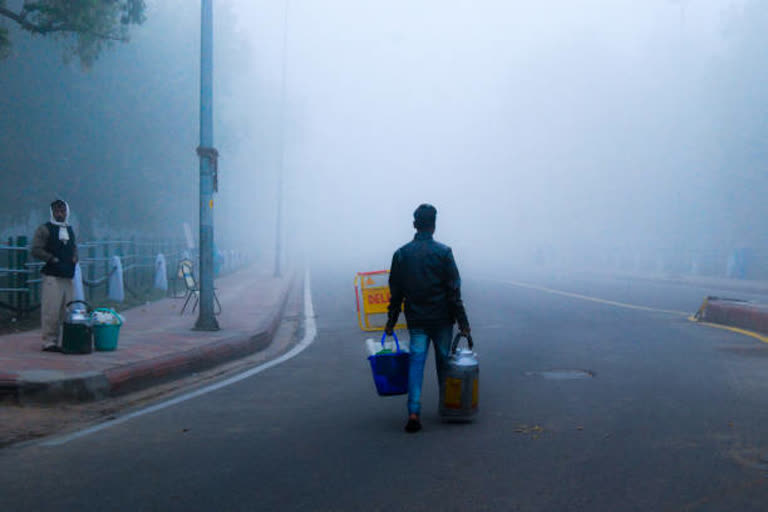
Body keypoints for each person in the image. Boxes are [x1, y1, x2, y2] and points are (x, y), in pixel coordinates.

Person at [385, 203, 471, 433]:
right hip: (442, 319)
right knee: (444, 363)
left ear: (415, 224)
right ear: (434, 226)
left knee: (416, 363)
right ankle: (447, 406)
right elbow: (454, 290)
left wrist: (391, 322)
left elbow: (396, 293)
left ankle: (413, 410)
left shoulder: (401, 254)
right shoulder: (444, 253)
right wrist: (463, 323)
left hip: (417, 320)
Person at [30, 199, 79, 352]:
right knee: (51, 310)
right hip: (52, 276)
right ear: (52, 212)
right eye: (57, 211)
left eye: (63, 211)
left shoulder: (70, 229)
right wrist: (51, 258)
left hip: (68, 275)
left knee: (68, 309)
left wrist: (75, 257)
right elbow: (35, 249)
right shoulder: (44, 229)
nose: (60, 214)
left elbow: (74, 247)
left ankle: (66, 339)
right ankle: (49, 341)